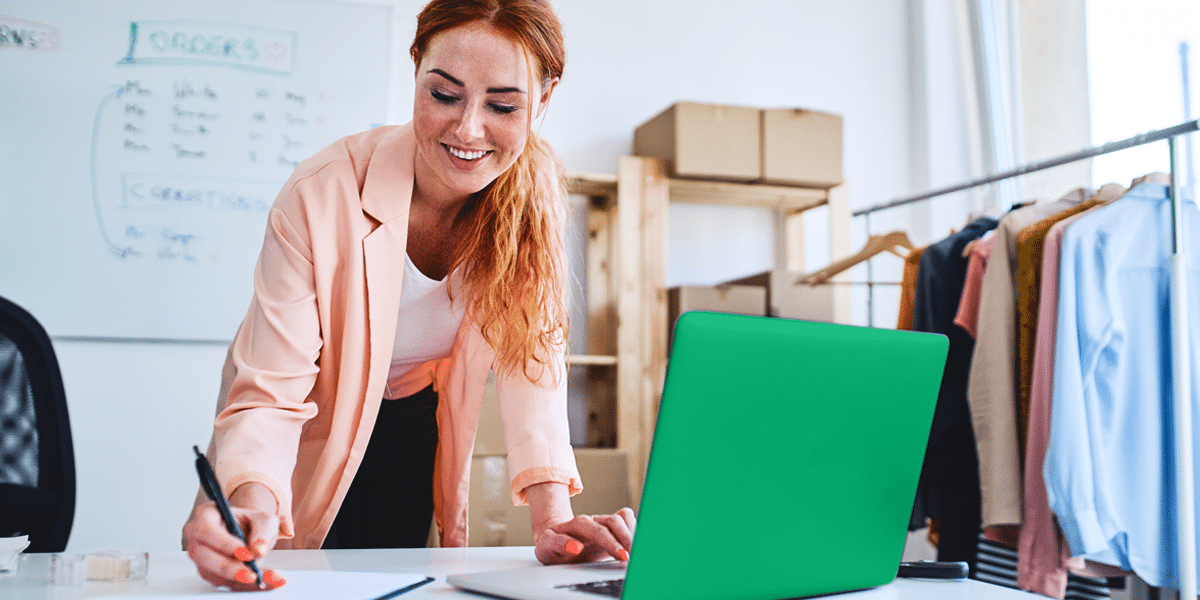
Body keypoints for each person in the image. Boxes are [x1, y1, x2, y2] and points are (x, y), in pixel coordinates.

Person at [181, 0, 635, 590]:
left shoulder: (531, 197)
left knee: (388, 580)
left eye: (502, 105)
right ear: (416, 65)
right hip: (308, 416)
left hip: (410, 419)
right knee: (284, 566)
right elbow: (271, 387)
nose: (469, 129)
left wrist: (553, 521)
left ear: (541, 102)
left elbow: (533, 358)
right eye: (444, 95)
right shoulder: (322, 193)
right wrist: (253, 497)